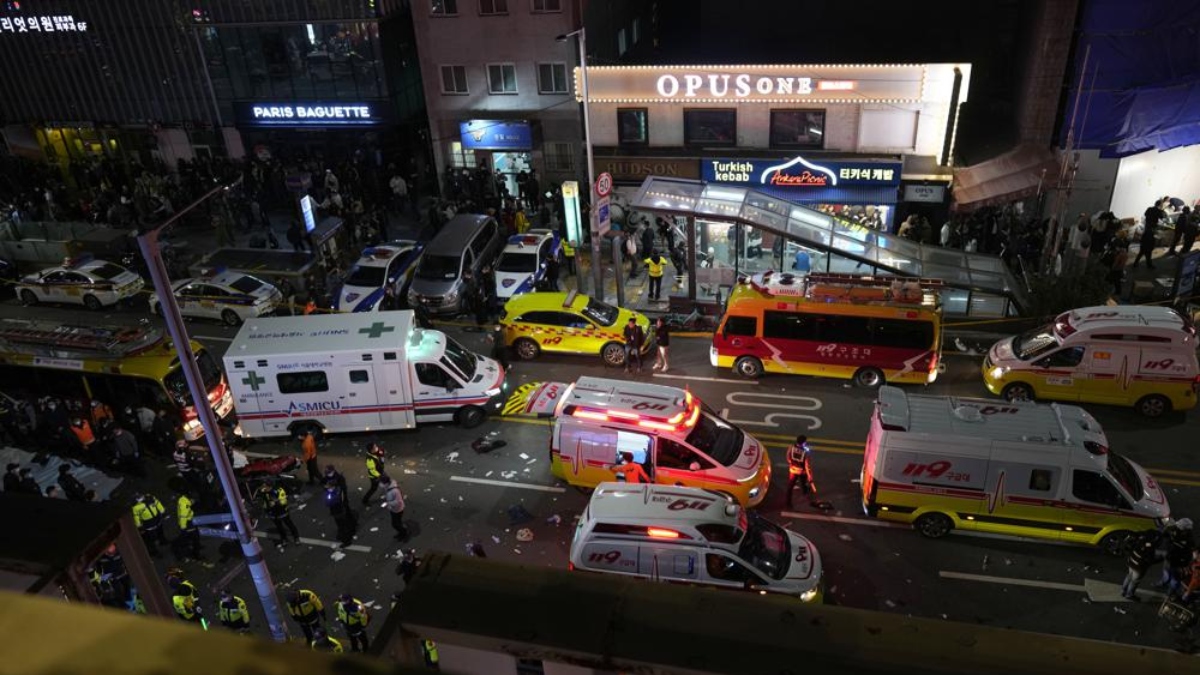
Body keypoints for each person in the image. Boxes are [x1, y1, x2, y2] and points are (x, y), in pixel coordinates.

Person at [1120, 529, 1160, 600]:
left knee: (1129, 576)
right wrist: (1160, 559)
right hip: (1139, 567)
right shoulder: (1150, 547)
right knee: (1134, 581)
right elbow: (1150, 560)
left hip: (1131, 562)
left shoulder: (1140, 540)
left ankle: (1123, 590)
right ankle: (1129, 594)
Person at [262, 479, 301, 548]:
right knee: (279, 527)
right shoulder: (264, 492)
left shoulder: (279, 491)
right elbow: (265, 502)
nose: (264, 488)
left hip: (282, 512)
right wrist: (266, 510)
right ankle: (284, 539)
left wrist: (276, 503)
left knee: (289, 524)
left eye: (265, 486)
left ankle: (296, 537)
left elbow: (284, 501)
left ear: (270, 486)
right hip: (273, 513)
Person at [132, 492, 169, 556]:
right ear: (136, 499)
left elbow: (158, 504)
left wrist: (163, 513)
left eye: (140, 496)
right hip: (149, 524)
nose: (140, 498)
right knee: (151, 539)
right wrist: (139, 527)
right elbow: (136, 517)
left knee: (160, 532)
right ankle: (154, 552)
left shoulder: (150, 498)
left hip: (157, 519)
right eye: (138, 498)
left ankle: (163, 541)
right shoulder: (136, 507)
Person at [1132, 200, 1166, 268]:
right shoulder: (1158, 211)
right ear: (1160, 205)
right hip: (1151, 232)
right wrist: (1162, 209)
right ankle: (1148, 264)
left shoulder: (1149, 209)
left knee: (1143, 248)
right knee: (1149, 248)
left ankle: (1138, 263)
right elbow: (1163, 216)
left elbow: (1145, 214)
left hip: (1146, 230)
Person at [786, 435, 813, 509]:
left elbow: (788, 458)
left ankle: (788, 503)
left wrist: (792, 464)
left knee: (790, 487)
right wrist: (810, 476)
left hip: (793, 470)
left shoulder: (791, 447)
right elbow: (807, 466)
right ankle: (805, 492)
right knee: (803, 483)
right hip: (802, 472)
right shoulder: (805, 452)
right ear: (803, 443)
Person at [176, 489, 203, 560]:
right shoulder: (185, 505)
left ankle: (195, 547)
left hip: (190, 522)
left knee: (194, 536)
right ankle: (196, 554)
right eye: (193, 499)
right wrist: (183, 528)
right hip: (188, 524)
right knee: (195, 538)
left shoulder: (184, 500)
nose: (194, 500)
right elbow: (183, 517)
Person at [382, 475, 408, 541]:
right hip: (393, 509)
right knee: (397, 523)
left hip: (398, 510)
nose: (380, 485)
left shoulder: (395, 490)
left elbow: (398, 501)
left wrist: (388, 503)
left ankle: (404, 533)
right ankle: (401, 533)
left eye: (381, 483)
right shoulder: (388, 487)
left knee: (395, 524)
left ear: (386, 483)